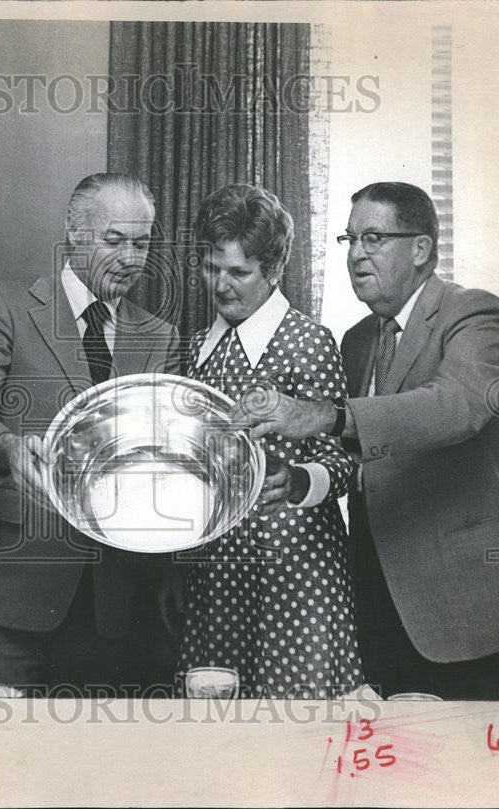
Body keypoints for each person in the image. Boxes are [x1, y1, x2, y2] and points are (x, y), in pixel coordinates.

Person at [232, 181, 499, 700]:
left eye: (373, 238)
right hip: (381, 611)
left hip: (471, 615)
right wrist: (299, 481)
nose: (355, 254)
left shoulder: (476, 314)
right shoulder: (357, 340)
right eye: (349, 240)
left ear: (420, 248)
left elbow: (453, 408)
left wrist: (324, 416)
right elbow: (370, 458)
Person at [0, 173, 181, 695]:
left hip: (108, 607)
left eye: (142, 243)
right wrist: (6, 447)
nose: (130, 258)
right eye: (115, 240)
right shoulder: (2, 304)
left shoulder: (160, 337)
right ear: (74, 232)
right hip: (1, 595)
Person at [178, 183, 362, 699]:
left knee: (297, 734)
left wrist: (300, 479)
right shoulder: (195, 350)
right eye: (211, 268)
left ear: (274, 270)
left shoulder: (309, 341)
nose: (221, 285)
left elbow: (343, 460)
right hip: (216, 576)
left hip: (296, 576)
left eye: (239, 272)